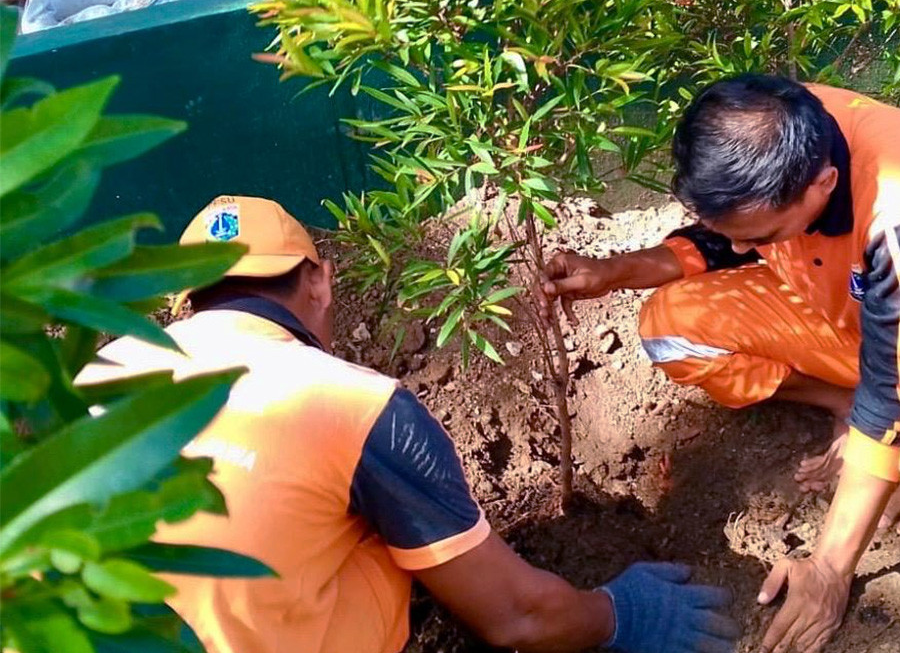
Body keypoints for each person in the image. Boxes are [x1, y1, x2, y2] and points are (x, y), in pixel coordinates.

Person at [538, 75, 900, 653]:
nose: (744, 250)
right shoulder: (768, 129)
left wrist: (828, 572)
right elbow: (728, 234)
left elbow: (897, 382)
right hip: (848, 313)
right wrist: (613, 272)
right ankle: (846, 404)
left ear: (824, 184)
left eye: (764, 236)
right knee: (672, 331)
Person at [76, 195, 739, 653]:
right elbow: (517, 618)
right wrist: (620, 615)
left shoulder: (93, 376)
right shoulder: (349, 403)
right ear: (321, 281)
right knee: (394, 532)